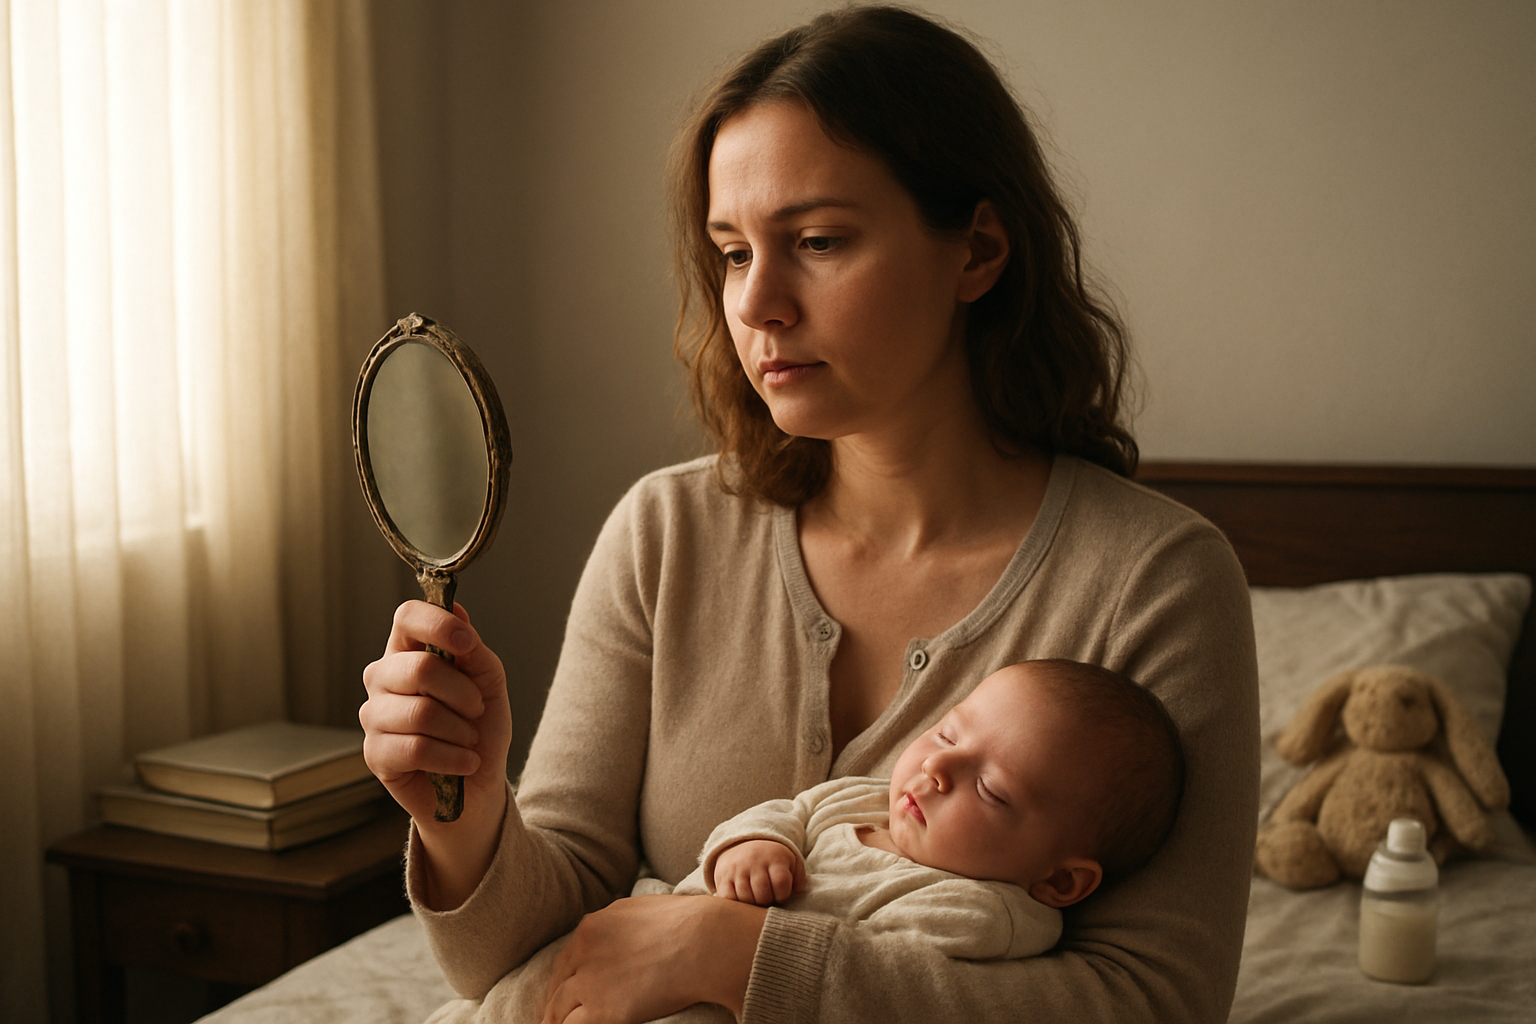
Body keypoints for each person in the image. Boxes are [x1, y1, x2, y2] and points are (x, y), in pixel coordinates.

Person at [360, 6, 1259, 1024]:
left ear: (977, 252)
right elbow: (512, 961)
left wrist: (742, 955)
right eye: (734, 252)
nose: (757, 305)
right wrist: (469, 812)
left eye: (819, 240)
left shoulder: (1159, 581)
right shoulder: (665, 535)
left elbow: (1154, 1003)